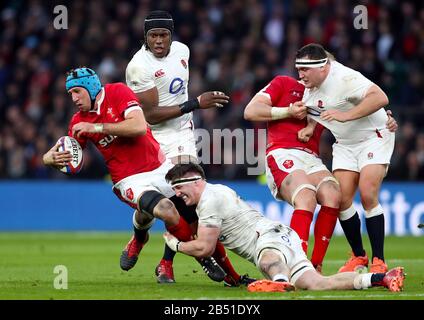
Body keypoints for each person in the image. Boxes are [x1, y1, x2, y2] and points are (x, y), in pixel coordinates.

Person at [42, 67, 226, 283]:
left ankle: (139, 239)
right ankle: (202, 259)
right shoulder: (78, 121)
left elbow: (138, 127)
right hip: (127, 179)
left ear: (91, 88)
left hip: (159, 167)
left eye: (77, 92)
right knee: (166, 210)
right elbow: (75, 159)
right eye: (70, 94)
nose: (73, 98)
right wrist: (50, 159)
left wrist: (98, 127)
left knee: (183, 211)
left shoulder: (118, 92)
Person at [124, 10, 251, 286]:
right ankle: (138, 237)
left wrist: (190, 110)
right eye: (153, 36)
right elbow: (150, 115)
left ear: (172, 35)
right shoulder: (138, 66)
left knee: (188, 198)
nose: (159, 41)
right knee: (157, 203)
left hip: (182, 134)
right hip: (152, 137)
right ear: (145, 38)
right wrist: (195, 103)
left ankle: (166, 264)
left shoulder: (183, 51)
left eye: (164, 35)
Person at [161, 163, 405, 293]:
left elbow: (205, 248)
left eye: (178, 188)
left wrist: (177, 245)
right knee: (317, 284)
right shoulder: (217, 191)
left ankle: (278, 281)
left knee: (268, 260)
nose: (177, 194)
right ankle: (382, 278)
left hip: (268, 240)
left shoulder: (209, 200)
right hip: (285, 238)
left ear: (194, 181)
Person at [294, 43, 395, 273]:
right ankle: (359, 256)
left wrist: (345, 116)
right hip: (345, 144)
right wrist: (311, 126)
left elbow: (380, 97)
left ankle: (379, 260)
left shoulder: (346, 78)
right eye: (298, 69)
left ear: (322, 67)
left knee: (368, 194)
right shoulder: (308, 87)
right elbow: (318, 108)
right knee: (341, 199)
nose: (300, 75)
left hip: (373, 136)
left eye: (304, 70)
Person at [244, 76, 341, 273]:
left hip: (312, 158)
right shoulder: (284, 83)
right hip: (282, 151)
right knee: (306, 197)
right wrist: (287, 111)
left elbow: (359, 115)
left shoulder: (329, 98)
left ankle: (315, 266)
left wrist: (386, 121)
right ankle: (297, 264)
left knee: (333, 194)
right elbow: (250, 111)